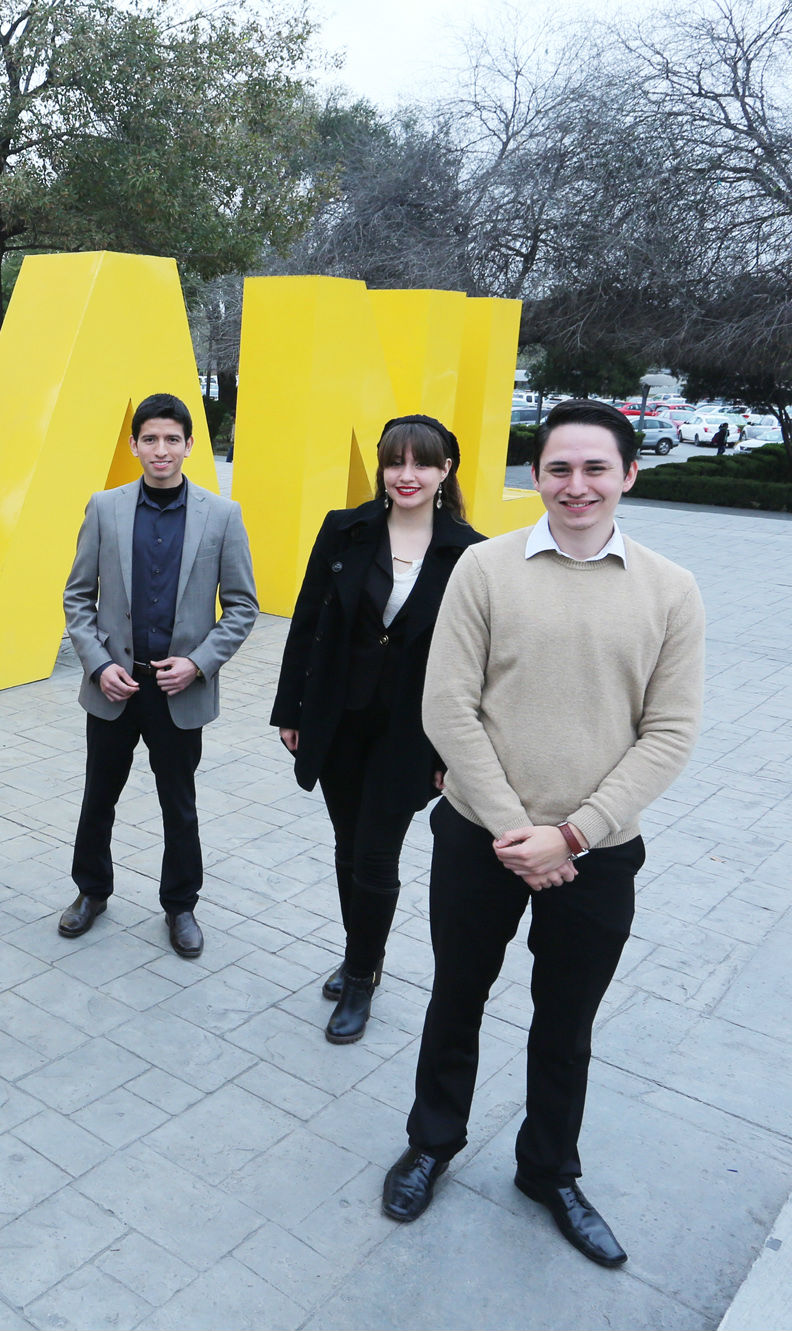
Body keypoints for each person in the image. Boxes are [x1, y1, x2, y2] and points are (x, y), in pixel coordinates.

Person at [381, 400, 704, 1270]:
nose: (577, 484)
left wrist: (574, 836)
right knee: (457, 996)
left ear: (629, 476)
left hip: (597, 856)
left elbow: (670, 731)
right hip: (480, 840)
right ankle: (432, 1141)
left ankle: (549, 1168)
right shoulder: (485, 569)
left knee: (566, 1021)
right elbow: (446, 705)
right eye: (559, 468)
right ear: (535, 477)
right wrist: (519, 828)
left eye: (596, 468)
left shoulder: (671, 590)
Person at [271, 416, 484, 1044]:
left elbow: (479, 663)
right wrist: (292, 710)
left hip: (414, 732)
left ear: (447, 471)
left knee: (374, 852)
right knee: (346, 845)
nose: (407, 475)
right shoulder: (347, 529)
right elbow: (307, 621)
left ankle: (362, 973)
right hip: (338, 719)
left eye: (422, 464)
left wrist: (457, 752)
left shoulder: (472, 552)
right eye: (395, 463)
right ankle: (359, 952)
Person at [57, 393, 257, 959]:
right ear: (134, 445)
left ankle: (180, 905)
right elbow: (77, 596)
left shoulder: (222, 516)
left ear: (190, 446)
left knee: (179, 803)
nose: (161, 449)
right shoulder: (105, 508)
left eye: (172, 439)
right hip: (115, 688)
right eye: (150, 439)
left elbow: (243, 606)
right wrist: (98, 665)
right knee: (99, 797)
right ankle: (90, 893)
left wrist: (198, 663)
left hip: (178, 690)